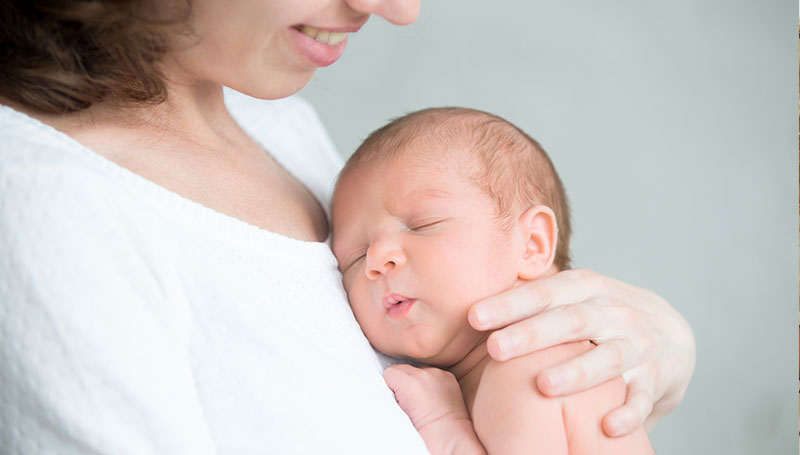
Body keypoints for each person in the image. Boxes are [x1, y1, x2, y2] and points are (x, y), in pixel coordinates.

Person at [0, 0, 695, 453]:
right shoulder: (47, 205)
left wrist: (662, 344)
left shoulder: (270, 117)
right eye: (353, 255)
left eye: (421, 223)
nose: (396, 7)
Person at [331, 107, 654, 454]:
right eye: (355, 256)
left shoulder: (527, 368)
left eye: (422, 225)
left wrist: (443, 424)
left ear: (531, 245)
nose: (377, 260)